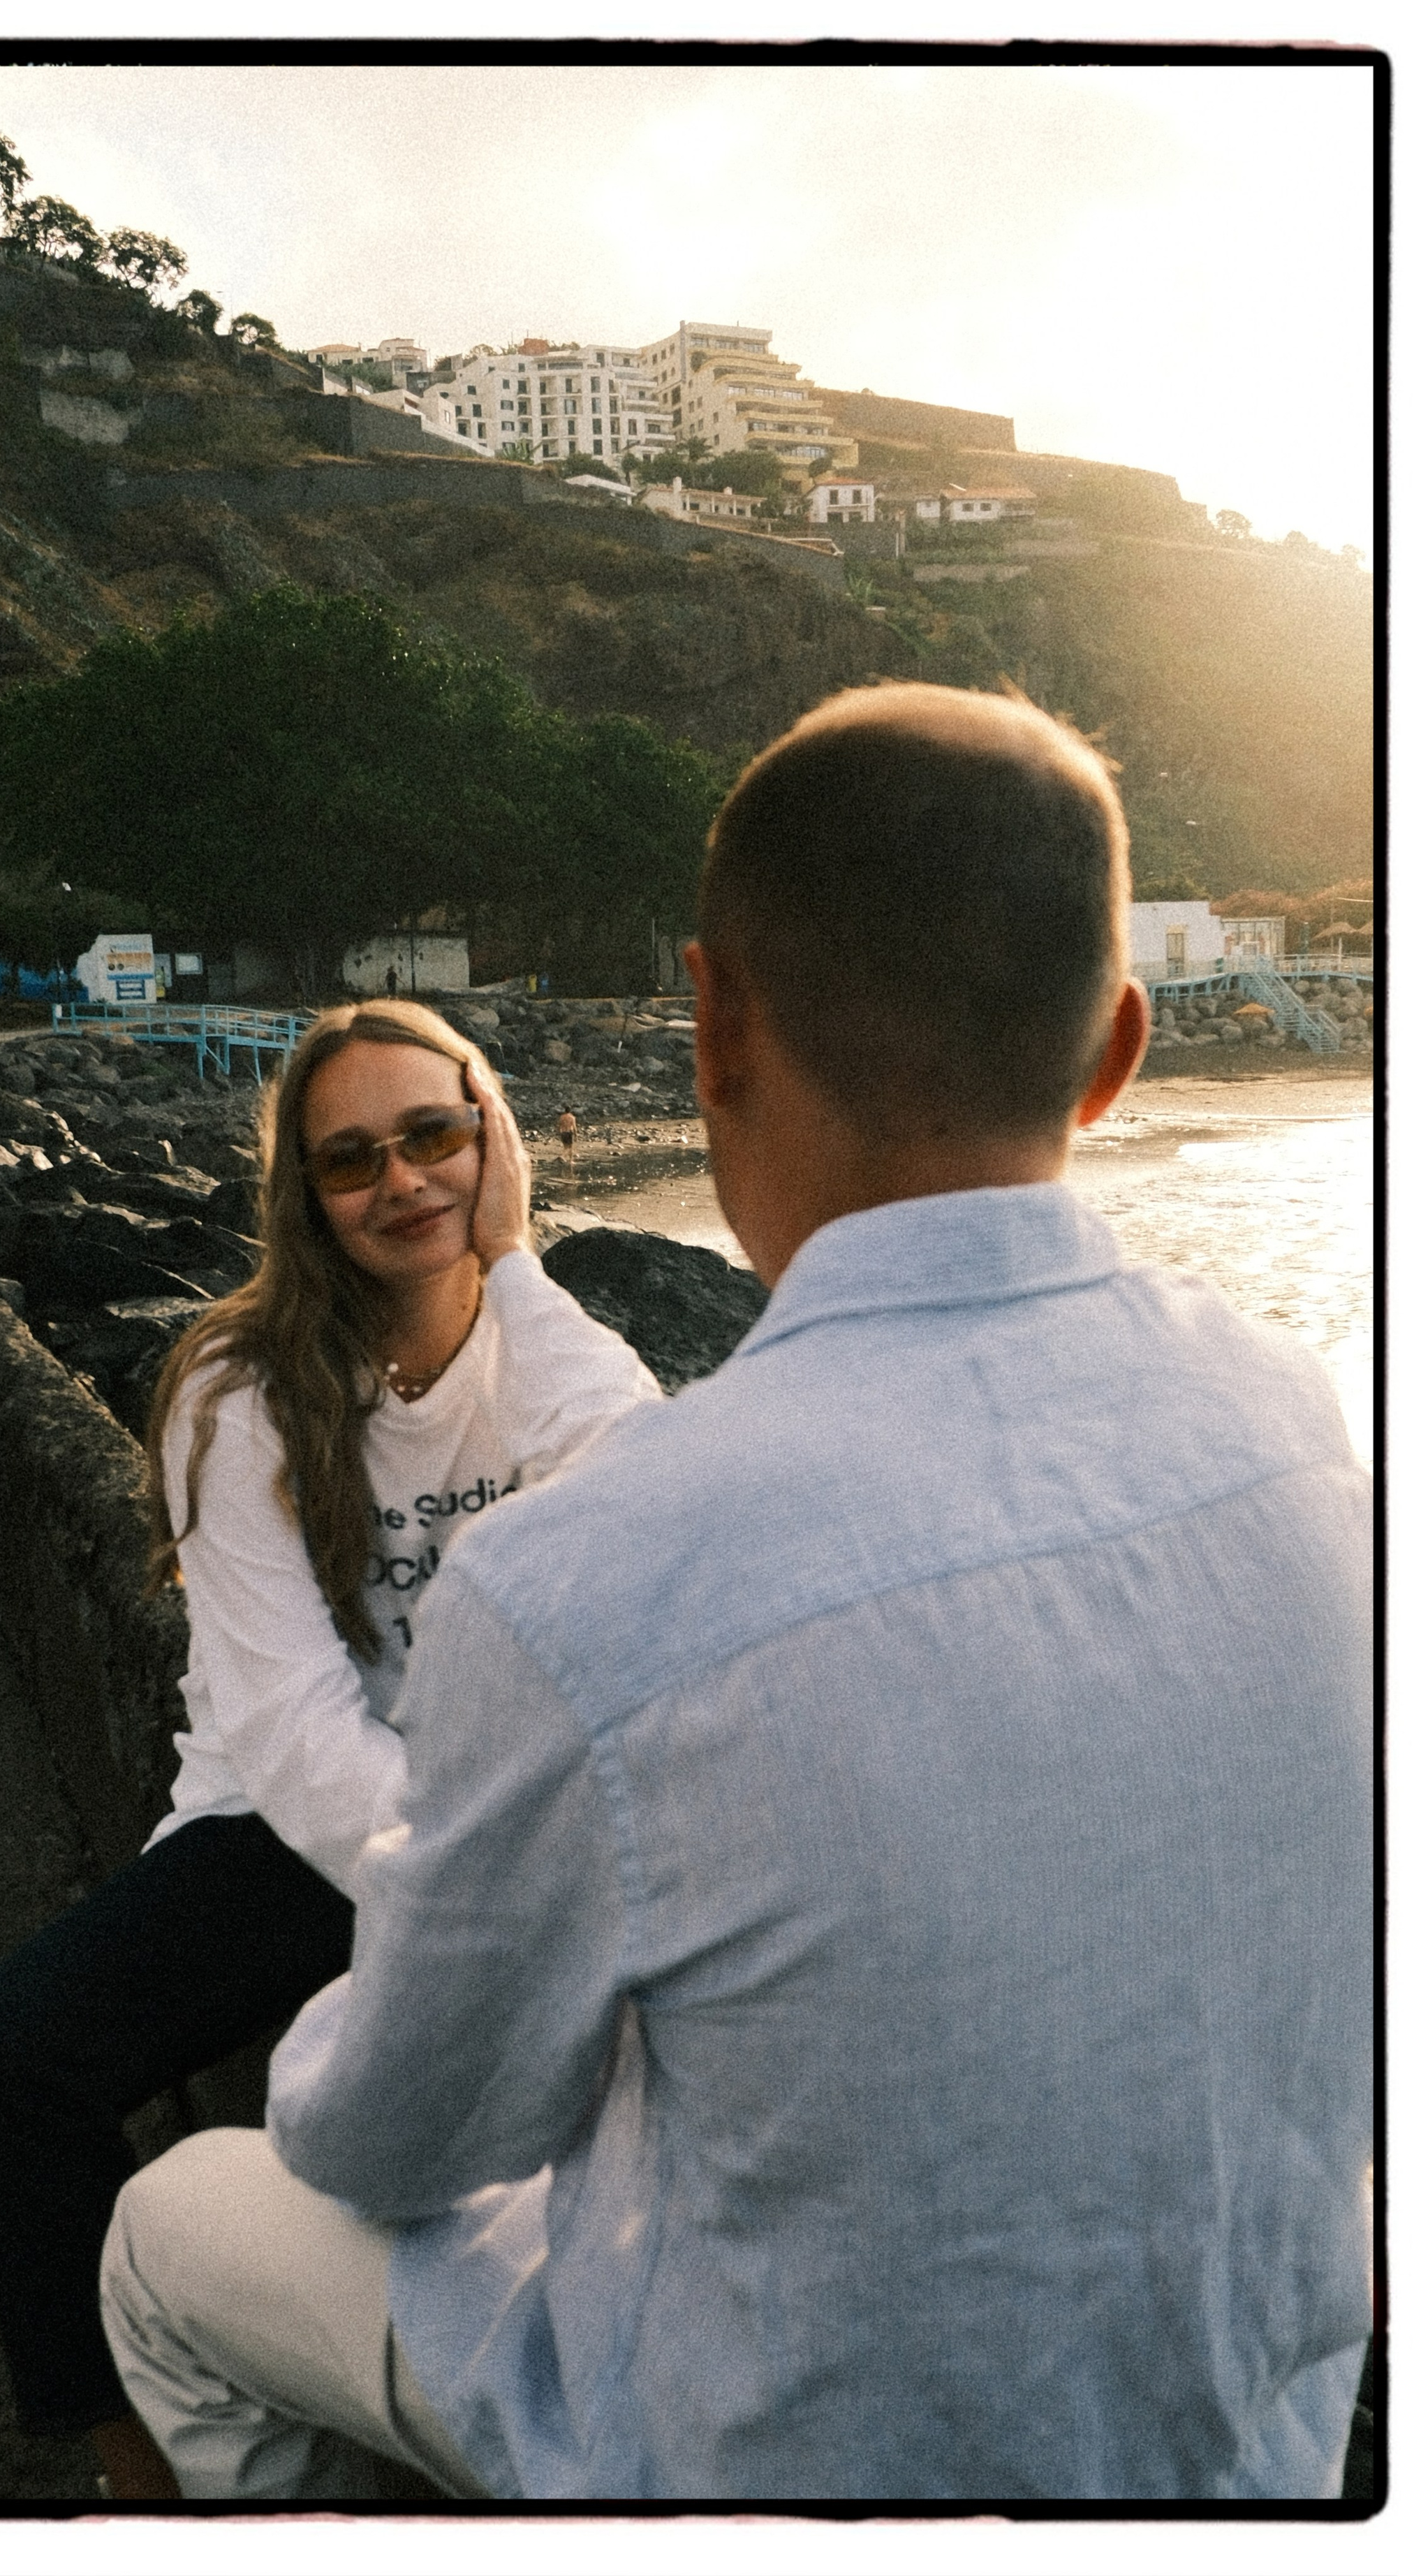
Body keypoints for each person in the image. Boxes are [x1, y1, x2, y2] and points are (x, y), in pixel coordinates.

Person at [100, 685, 1372, 2502]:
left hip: (745, 2464)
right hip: (1249, 2457)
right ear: (1117, 1052)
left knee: (170, 2227)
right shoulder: (1307, 1430)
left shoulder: (582, 1578)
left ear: (710, 1026)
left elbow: (400, 2136)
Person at [0, 1000, 660, 2497]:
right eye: (351, 1158)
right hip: (292, 1828)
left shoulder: (547, 1356)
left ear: (493, 1139)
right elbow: (292, 1723)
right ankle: (137, 2467)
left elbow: (644, 1506)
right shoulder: (233, 1387)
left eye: (435, 1135)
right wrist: (463, 1904)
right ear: (303, 1194)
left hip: (505, 1819)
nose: (401, 1180)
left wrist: (514, 1260)